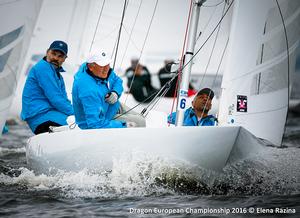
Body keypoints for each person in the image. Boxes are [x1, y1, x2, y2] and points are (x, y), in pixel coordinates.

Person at [72, 51, 137, 129]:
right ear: (91, 67)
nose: (106, 68)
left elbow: (117, 80)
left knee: (141, 119)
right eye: (102, 65)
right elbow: (95, 125)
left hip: (112, 107)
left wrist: (115, 92)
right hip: (105, 120)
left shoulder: (98, 71)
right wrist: (124, 125)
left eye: (107, 64)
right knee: (140, 123)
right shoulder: (89, 90)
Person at [21, 40, 74, 134]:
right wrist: (79, 114)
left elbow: (63, 100)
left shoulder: (58, 76)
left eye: (60, 56)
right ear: (47, 52)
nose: (55, 58)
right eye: (53, 53)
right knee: (83, 123)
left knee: (81, 122)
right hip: (41, 118)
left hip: (50, 115)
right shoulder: (43, 68)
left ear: (65, 58)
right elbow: (56, 99)